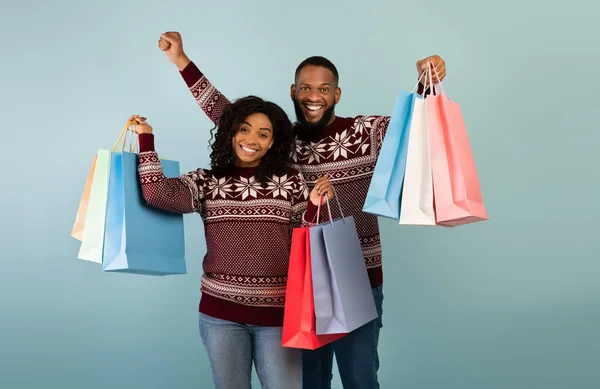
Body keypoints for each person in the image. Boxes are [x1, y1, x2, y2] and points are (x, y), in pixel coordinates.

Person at [157, 31, 447, 389]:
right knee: (309, 381)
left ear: (336, 94)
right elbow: (228, 114)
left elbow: (413, 127)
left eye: (324, 89)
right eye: (306, 88)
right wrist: (182, 61)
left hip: (358, 275)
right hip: (301, 284)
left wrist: (427, 84)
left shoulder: (366, 132)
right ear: (293, 92)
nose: (314, 96)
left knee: (359, 378)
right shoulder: (278, 140)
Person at [130, 95, 334, 389]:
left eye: (263, 134)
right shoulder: (207, 181)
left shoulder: (289, 181)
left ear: (273, 142)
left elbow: (308, 240)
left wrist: (314, 204)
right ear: (231, 132)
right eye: (245, 129)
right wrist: (146, 140)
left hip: (278, 316)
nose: (252, 139)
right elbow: (158, 195)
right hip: (220, 315)